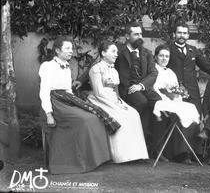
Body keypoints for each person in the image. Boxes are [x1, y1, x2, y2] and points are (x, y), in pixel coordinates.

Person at [38, 36, 110, 174]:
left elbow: (69, 91)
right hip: (55, 104)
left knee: (94, 116)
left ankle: (92, 159)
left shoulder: (67, 67)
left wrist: (77, 104)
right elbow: (44, 91)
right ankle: (77, 162)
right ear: (58, 50)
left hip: (67, 100)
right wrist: (49, 114)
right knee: (84, 120)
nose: (71, 51)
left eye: (72, 48)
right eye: (67, 48)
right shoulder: (47, 66)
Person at [87, 41, 149, 163]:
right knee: (122, 115)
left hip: (114, 99)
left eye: (117, 52)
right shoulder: (96, 69)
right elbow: (99, 91)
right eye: (113, 51)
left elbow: (116, 91)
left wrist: (121, 103)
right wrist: (116, 104)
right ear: (103, 53)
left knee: (133, 113)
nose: (116, 54)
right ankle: (121, 156)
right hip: (99, 100)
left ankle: (135, 154)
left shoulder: (114, 71)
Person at [166, 22, 210, 162]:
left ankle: (195, 152)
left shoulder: (192, 50)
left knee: (194, 121)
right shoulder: (168, 50)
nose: (182, 36)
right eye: (179, 33)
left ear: (188, 35)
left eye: (184, 33)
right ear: (174, 34)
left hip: (192, 92)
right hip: (175, 92)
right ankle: (181, 154)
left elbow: (207, 67)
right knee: (181, 121)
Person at [151, 44, 201, 164]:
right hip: (158, 99)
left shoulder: (171, 72)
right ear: (156, 57)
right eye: (161, 56)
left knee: (188, 111)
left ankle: (186, 152)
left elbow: (176, 89)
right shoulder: (152, 70)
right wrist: (166, 98)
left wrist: (177, 97)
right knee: (166, 114)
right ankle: (160, 150)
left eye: (167, 56)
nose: (164, 58)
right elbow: (154, 88)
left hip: (171, 100)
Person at [115, 22, 162, 138]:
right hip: (127, 88)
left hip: (142, 87)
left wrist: (141, 85)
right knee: (141, 102)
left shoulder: (147, 53)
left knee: (159, 103)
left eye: (141, 34)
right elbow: (101, 63)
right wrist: (81, 80)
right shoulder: (119, 52)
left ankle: (154, 144)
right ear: (127, 36)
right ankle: (128, 132)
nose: (140, 37)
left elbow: (153, 73)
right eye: (136, 34)